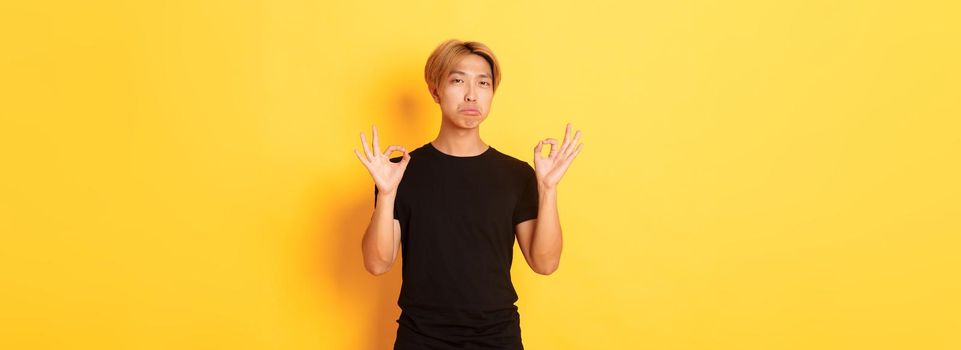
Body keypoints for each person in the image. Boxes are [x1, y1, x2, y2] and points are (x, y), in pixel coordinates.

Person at [353, 39, 583, 349]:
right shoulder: (398, 172)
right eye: (458, 81)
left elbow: (545, 263)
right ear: (435, 90)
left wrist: (548, 189)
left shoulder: (517, 175)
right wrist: (387, 194)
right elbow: (377, 264)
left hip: (497, 338)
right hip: (421, 338)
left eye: (483, 83)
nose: (471, 94)